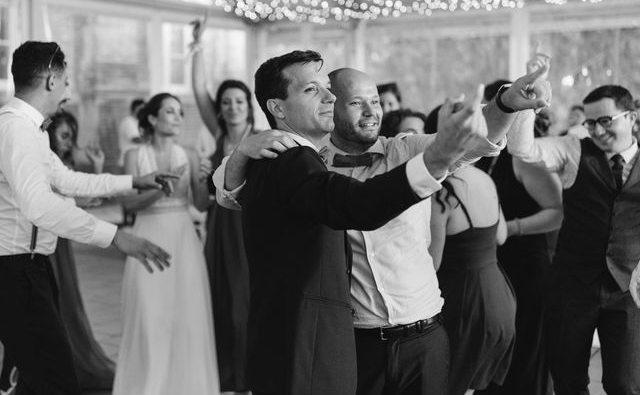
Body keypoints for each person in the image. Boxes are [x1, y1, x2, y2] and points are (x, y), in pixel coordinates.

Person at [214, 57, 551, 395]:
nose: (371, 111)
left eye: (374, 101)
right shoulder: (303, 161)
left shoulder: (405, 149)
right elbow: (228, 191)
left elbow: (474, 142)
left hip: (425, 337)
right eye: (356, 102)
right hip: (354, 344)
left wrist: (506, 104)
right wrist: (242, 151)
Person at [0, 41, 172, 395]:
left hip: (30, 267)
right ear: (51, 79)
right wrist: (115, 236)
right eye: (65, 80)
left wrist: (132, 181)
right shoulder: (16, 128)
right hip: (14, 270)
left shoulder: (31, 129)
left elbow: (64, 180)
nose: (68, 89)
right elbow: (39, 204)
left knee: (42, 376)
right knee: (54, 378)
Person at [508, 82, 640, 394]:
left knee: (625, 384)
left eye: (605, 120)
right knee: (568, 382)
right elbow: (521, 148)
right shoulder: (573, 150)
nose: (596, 130)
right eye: (590, 122)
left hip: (629, 292)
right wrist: (528, 105)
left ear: (631, 117)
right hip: (571, 288)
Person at [113, 93, 218, 395]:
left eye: (179, 113)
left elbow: (200, 204)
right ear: (152, 119)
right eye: (169, 112)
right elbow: (129, 207)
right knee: (148, 314)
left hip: (184, 238)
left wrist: (205, 182)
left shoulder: (192, 155)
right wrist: (162, 189)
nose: (177, 118)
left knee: (187, 315)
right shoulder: (135, 156)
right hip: (146, 235)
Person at [426, 107, 516, 395]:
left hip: (465, 303)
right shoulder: (485, 179)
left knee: (450, 383)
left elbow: (433, 263)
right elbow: (500, 236)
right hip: (499, 296)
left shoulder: (442, 191)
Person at [477, 108, 563, 395]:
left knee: (525, 349)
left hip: (526, 263)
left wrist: (511, 228)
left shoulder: (525, 159)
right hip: (492, 263)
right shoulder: (480, 156)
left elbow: (558, 212)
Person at [191, 20, 255, 394]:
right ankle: (226, 380)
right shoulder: (217, 134)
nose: (232, 107)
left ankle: (248, 380)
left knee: (243, 308)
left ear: (249, 106)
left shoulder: (260, 139)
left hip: (246, 229)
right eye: (226, 102)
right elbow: (199, 89)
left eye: (238, 101)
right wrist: (196, 47)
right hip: (218, 228)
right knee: (219, 301)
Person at [46, 111, 116, 390]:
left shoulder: (62, 166)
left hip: (58, 243)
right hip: (39, 243)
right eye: (63, 136)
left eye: (71, 137)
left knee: (62, 301)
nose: (68, 143)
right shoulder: (38, 163)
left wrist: (98, 168)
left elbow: (86, 202)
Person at [117, 98, 145, 167]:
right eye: (141, 109)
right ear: (135, 109)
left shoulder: (137, 122)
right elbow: (135, 139)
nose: (143, 111)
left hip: (135, 163)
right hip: (126, 162)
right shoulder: (128, 121)